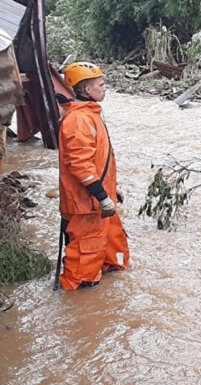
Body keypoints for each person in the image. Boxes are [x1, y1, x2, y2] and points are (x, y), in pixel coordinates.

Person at [56, 62, 129, 290]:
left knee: (112, 254)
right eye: (101, 84)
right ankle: (78, 312)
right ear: (85, 90)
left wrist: (110, 189)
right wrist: (101, 196)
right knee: (82, 273)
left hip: (97, 202)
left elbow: (98, 161)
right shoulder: (78, 120)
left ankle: (103, 299)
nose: (105, 88)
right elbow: (80, 164)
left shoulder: (89, 114)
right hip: (86, 205)